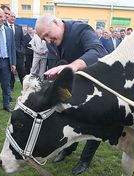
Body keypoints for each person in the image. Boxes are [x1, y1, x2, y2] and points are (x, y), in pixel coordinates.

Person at [35, 14, 107, 175]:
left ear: (56, 22)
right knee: (67, 115)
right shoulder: (52, 41)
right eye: (43, 38)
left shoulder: (82, 29)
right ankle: (67, 149)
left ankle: (85, 160)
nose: (47, 40)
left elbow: (98, 51)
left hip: (96, 87)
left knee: (94, 123)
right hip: (72, 86)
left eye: (47, 34)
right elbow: (58, 62)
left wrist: (73, 66)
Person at [0, 8, 16, 116]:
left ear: (4, 17)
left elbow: (12, 48)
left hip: (6, 62)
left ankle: (6, 105)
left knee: (6, 86)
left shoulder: (9, 31)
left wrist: (13, 63)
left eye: (1, 16)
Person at [7, 11, 26, 85]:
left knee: (21, 71)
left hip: (19, 54)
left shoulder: (19, 27)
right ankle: (11, 86)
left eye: (14, 17)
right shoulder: (4, 26)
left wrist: (21, 50)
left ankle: (24, 85)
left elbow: (22, 41)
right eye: (12, 16)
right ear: (8, 17)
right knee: (9, 71)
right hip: (9, 54)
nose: (13, 18)